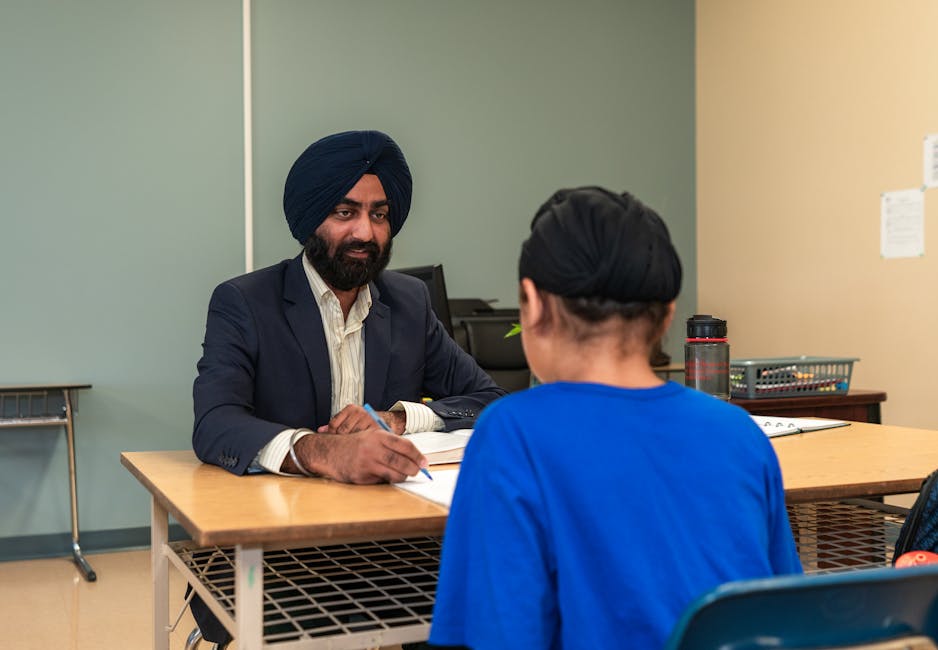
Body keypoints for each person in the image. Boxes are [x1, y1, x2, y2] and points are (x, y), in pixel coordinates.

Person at [429, 187, 802, 649]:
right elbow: (784, 619)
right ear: (667, 315)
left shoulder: (513, 434)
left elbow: (501, 633)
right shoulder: (738, 432)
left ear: (534, 303)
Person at [189, 130, 506, 644]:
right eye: (345, 212)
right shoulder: (244, 303)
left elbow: (489, 400)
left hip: (392, 545)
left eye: (379, 215)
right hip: (274, 551)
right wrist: (322, 453)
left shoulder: (408, 302)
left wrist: (399, 418)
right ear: (310, 219)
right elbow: (215, 423)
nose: (366, 231)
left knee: (485, 607)